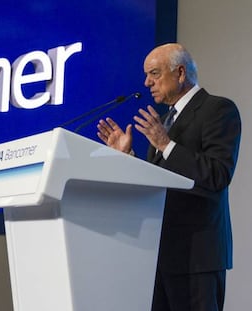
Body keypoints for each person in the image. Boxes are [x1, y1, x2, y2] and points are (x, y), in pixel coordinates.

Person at [96, 43, 241, 311]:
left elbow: (218, 175)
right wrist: (127, 156)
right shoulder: (163, 122)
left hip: (196, 257)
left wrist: (166, 145)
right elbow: (157, 182)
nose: (146, 82)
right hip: (158, 255)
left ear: (181, 73)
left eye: (154, 73)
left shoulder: (217, 110)